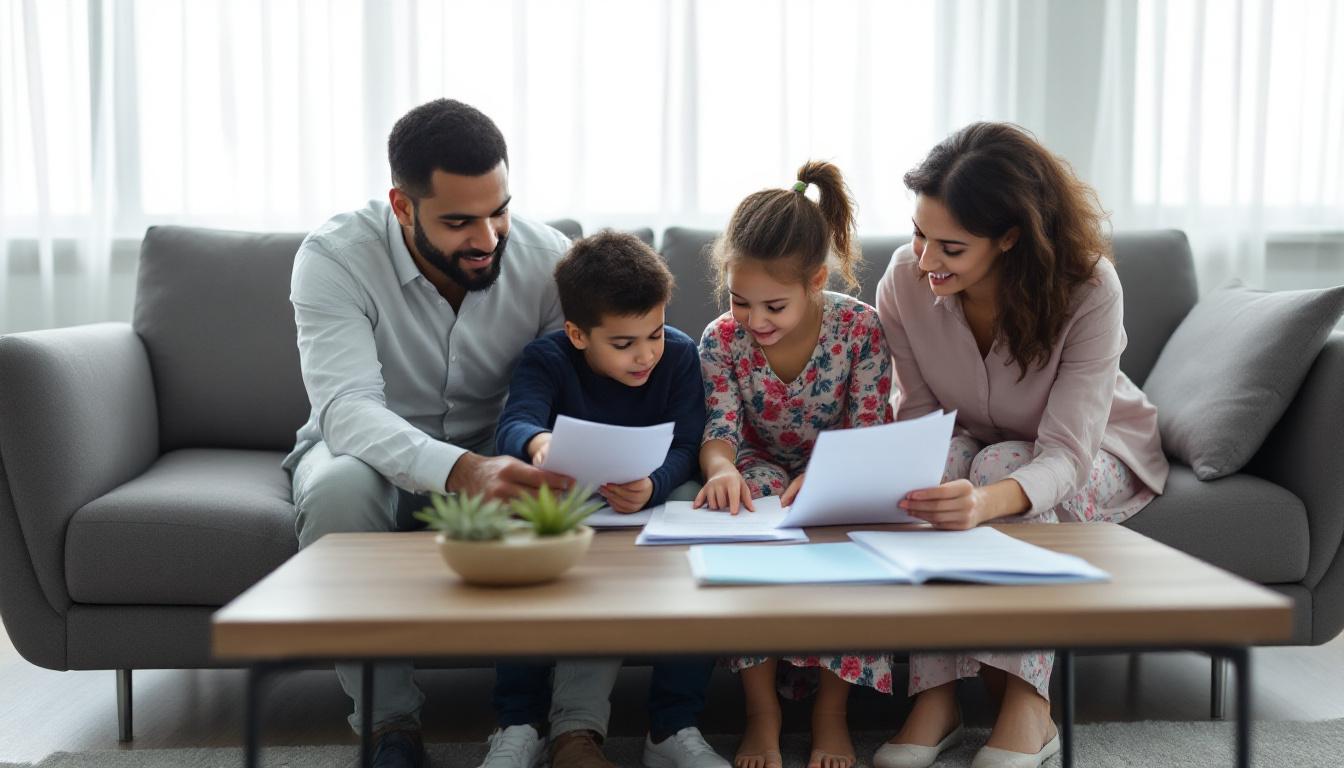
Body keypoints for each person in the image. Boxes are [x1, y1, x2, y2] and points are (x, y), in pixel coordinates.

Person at [286, 98, 573, 768]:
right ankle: (388, 726)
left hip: (501, 448)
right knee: (336, 491)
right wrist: (462, 469)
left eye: (499, 211)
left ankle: (555, 723)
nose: (488, 238)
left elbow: (573, 389)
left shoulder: (549, 260)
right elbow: (347, 409)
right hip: (368, 453)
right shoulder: (334, 257)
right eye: (458, 221)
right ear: (402, 205)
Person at [873, 122, 1169, 768]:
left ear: (1009, 238)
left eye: (950, 247)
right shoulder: (903, 281)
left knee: (1000, 466)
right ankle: (936, 695)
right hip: (979, 442)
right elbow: (921, 419)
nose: (925, 260)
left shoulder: (1090, 288)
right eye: (919, 234)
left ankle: (1030, 702)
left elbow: (1067, 453)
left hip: (1098, 447)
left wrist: (983, 504)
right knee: (946, 465)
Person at [490, 230, 727, 768]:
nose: (645, 355)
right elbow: (515, 423)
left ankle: (673, 726)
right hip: (569, 501)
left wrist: (654, 484)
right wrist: (539, 443)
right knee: (519, 533)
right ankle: (520, 723)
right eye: (623, 344)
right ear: (578, 334)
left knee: (695, 506)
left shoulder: (679, 355)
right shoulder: (547, 359)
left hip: (649, 499)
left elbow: (688, 443)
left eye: (654, 334)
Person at [694, 161, 896, 768]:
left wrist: (830, 476)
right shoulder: (720, 339)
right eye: (740, 302)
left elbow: (868, 430)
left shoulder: (859, 328)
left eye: (774, 306)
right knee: (749, 515)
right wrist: (721, 471)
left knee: (845, 535)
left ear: (815, 281)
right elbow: (720, 430)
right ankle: (763, 711)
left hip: (841, 465)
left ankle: (832, 712)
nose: (755, 321)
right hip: (758, 464)